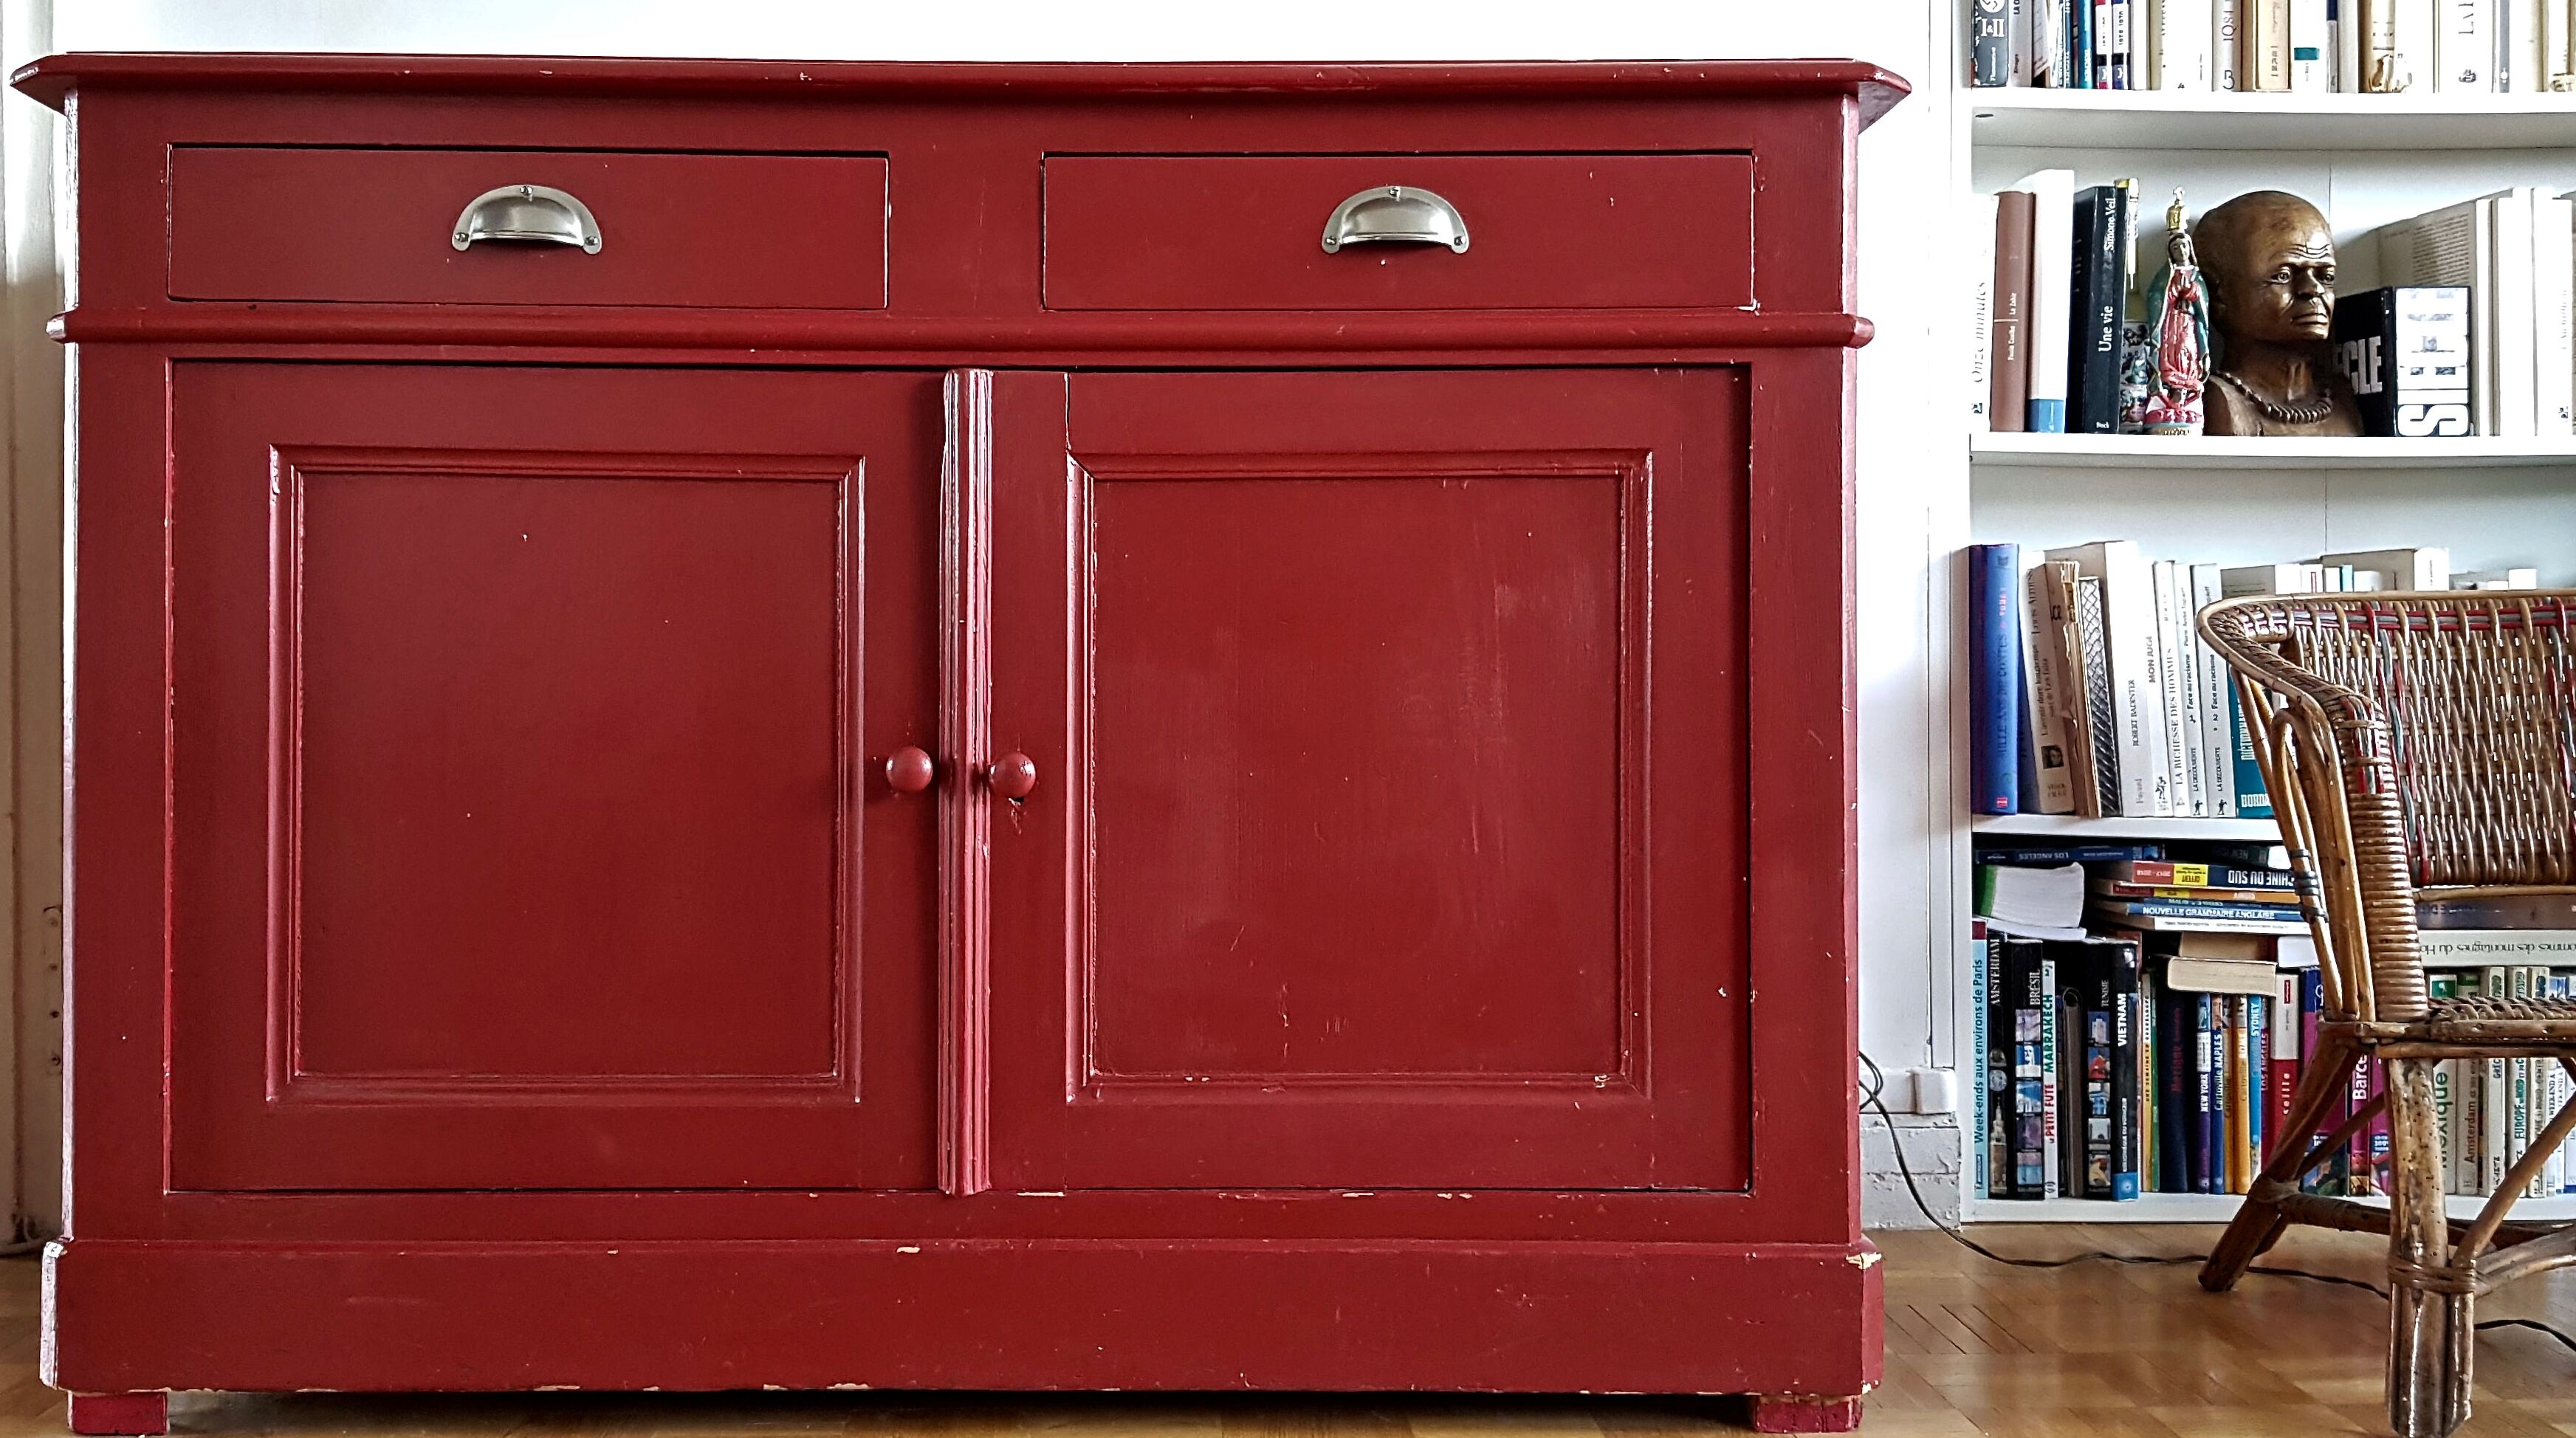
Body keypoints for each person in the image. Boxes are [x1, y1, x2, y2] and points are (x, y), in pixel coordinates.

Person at [2193, 190, 2364, 437]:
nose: (2313, 290)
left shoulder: (2343, 396)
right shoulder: (2218, 401)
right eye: (2283, 275)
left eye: (2325, 276)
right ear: (2219, 294)